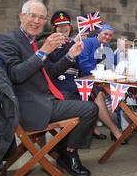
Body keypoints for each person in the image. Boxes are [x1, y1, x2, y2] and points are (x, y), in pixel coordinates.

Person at [0, 0, 99, 176]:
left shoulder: (31, 42)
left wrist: (71, 55)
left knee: (84, 100)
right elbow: (16, 75)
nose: (36, 21)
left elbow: (50, 73)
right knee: (89, 110)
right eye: (32, 16)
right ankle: (68, 151)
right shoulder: (7, 41)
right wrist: (43, 52)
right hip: (28, 107)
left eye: (41, 17)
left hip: (45, 98)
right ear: (21, 17)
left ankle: (62, 147)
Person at [49, 11, 127, 144]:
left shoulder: (79, 43)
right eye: (59, 26)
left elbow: (85, 64)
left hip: (75, 81)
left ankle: (97, 128)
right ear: (54, 28)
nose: (63, 28)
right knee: (96, 92)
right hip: (59, 84)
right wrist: (74, 42)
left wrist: (121, 52)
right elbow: (57, 58)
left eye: (66, 25)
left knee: (100, 92)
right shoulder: (51, 42)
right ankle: (114, 130)